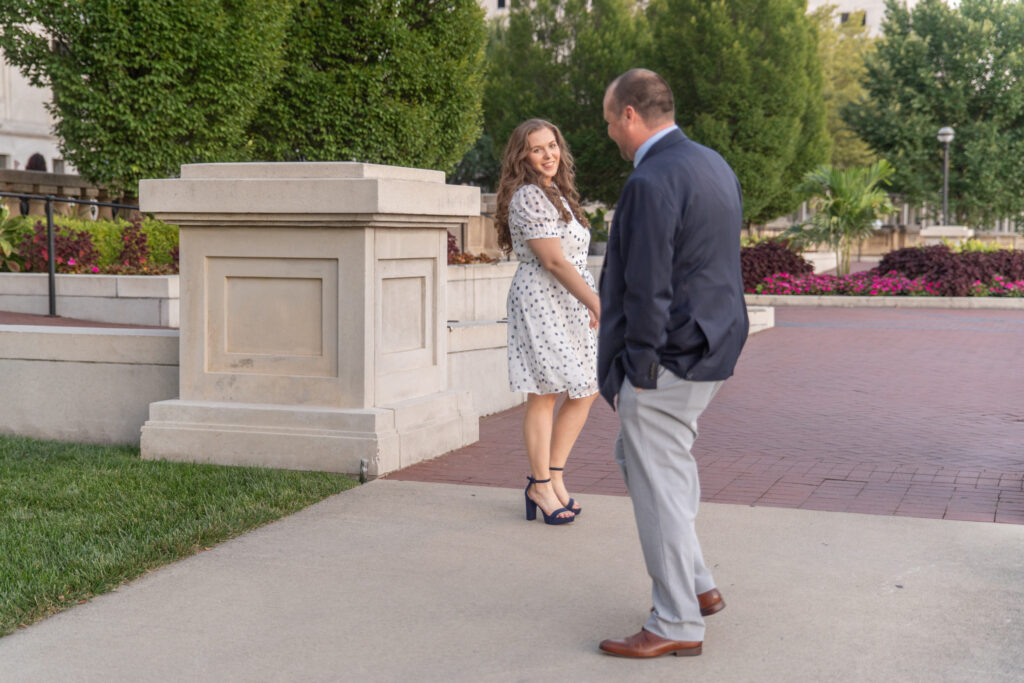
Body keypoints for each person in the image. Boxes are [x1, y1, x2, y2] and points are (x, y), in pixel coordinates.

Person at [596, 69, 749, 657]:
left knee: (656, 478)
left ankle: (676, 623)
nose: (610, 132)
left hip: (670, 355)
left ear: (631, 115)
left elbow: (647, 286)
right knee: (649, 460)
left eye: (611, 120)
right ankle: (701, 585)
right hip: (712, 342)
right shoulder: (712, 162)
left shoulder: (651, 180)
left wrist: (639, 370)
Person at [494, 118, 601, 526]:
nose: (548, 154)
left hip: (569, 301)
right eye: (537, 149)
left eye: (552, 145)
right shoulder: (528, 197)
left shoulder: (557, 193)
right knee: (545, 392)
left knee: (586, 388)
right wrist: (597, 302)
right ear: (523, 155)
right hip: (542, 300)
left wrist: (587, 301)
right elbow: (553, 260)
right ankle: (540, 484)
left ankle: (553, 476)